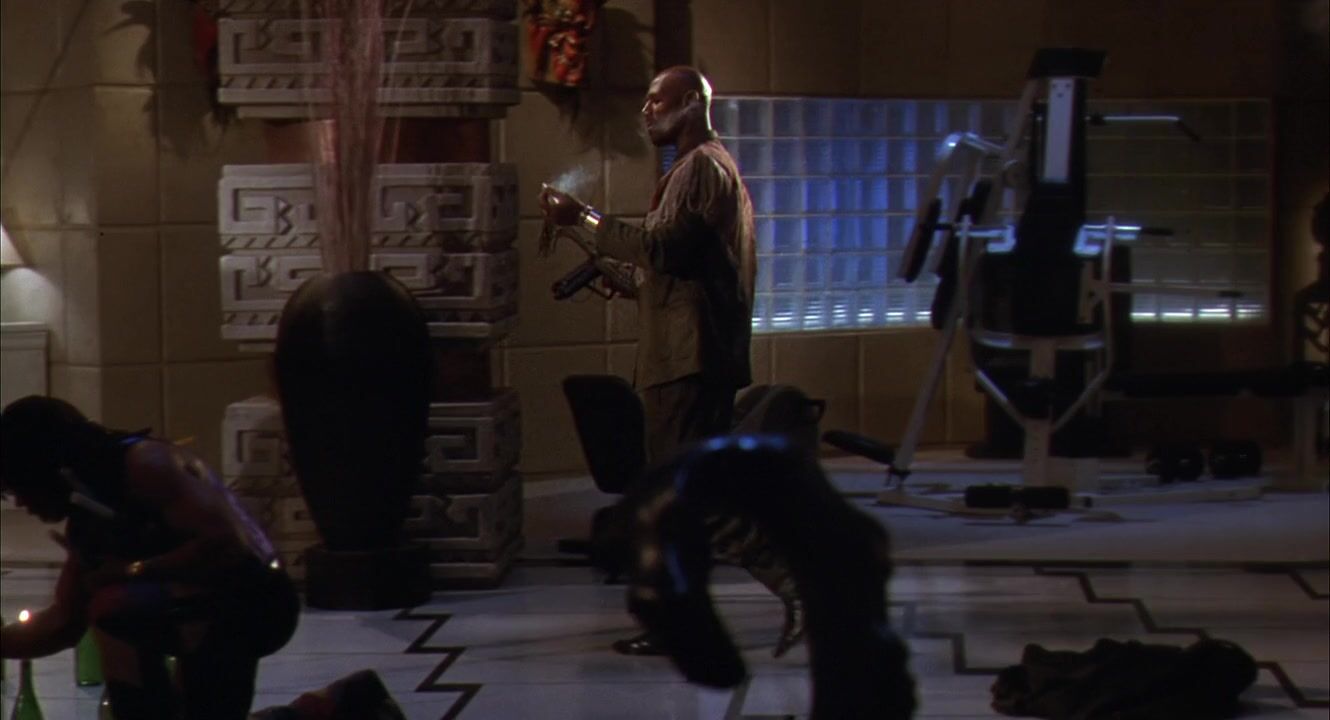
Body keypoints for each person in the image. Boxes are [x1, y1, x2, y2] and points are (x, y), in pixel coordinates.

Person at [539, 65, 804, 658]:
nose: (646, 111)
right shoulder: (693, 170)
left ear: (690, 103)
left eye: (657, 101)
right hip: (683, 356)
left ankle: (798, 585)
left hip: (689, 359)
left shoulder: (702, 168)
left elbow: (661, 249)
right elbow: (667, 270)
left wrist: (583, 217)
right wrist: (605, 262)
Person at [0, 395, 300, 719]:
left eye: (19, 488)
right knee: (113, 607)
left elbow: (227, 546)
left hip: (256, 599)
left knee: (114, 606)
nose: (20, 503)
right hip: (206, 608)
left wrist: (130, 571)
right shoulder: (88, 515)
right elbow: (64, 622)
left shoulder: (145, 464)